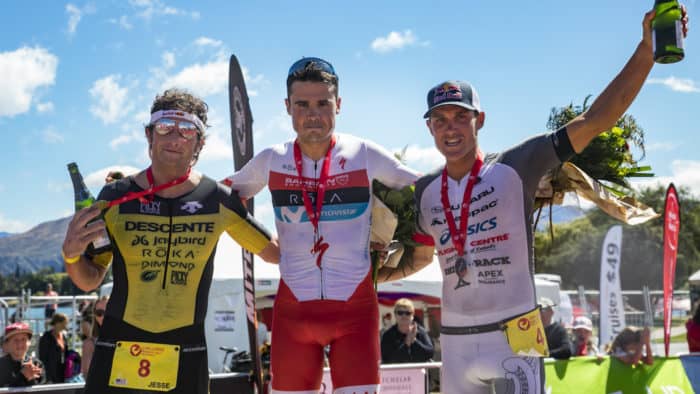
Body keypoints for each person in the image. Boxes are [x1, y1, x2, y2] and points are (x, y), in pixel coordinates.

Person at [379, 7, 689, 393]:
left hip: (515, 333)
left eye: (461, 117)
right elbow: (421, 258)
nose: (450, 128)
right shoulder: (424, 190)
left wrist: (646, 50)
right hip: (456, 340)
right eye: (440, 120)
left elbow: (593, 122)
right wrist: (367, 274)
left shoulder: (517, 164)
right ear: (429, 127)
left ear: (481, 120)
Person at [224, 57, 434, 393]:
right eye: (302, 104)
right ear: (287, 107)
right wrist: (265, 249)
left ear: (338, 104)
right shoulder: (272, 159)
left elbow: (427, 189)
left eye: (323, 103)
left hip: (355, 313)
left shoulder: (363, 153)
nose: (313, 114)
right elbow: (220, 203)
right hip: (293, 314)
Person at [60, 88, 280, 394]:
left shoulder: (218, 199)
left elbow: (275, 253)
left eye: (187, 130)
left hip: (186, 349)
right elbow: (88, 281)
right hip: (119, 344)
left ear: (200, 143)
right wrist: (71, 256)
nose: (175, 138)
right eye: (165, 127)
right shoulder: (114, 197)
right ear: (149, 135)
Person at [381, 298, 434, 363]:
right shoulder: (388, 335)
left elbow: (430, 354)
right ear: (395, 314)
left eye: (408, 313)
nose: (404, 316)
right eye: (400, 313)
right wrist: (407, 343)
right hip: (396, 372)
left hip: (418, 371)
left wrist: (414, 341)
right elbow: (387, 358)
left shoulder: (420, 331)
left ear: (412, 315)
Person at [0, 322, 45, 387]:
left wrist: (31, 379)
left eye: (23, 339)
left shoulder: (37, 364)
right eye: (15, 340)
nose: (20, 344)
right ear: (7, 344)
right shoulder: (1, 365)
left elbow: (43, 389)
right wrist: (23, 376)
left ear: (29, 343)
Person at [81, 295, 109, 379]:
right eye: (99, 313)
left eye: (108, 311)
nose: (104, 316)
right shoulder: (90, 344)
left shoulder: (130, 339)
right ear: (95, 316)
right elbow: (87, 376)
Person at [38, 312, 69, 383]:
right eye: (64, 323)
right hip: (51, 373)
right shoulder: (46, 337)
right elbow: (42, 358)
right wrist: (47, 377)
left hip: (62, 371)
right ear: (57, 323)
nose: (66, 326)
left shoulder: (64, 336)